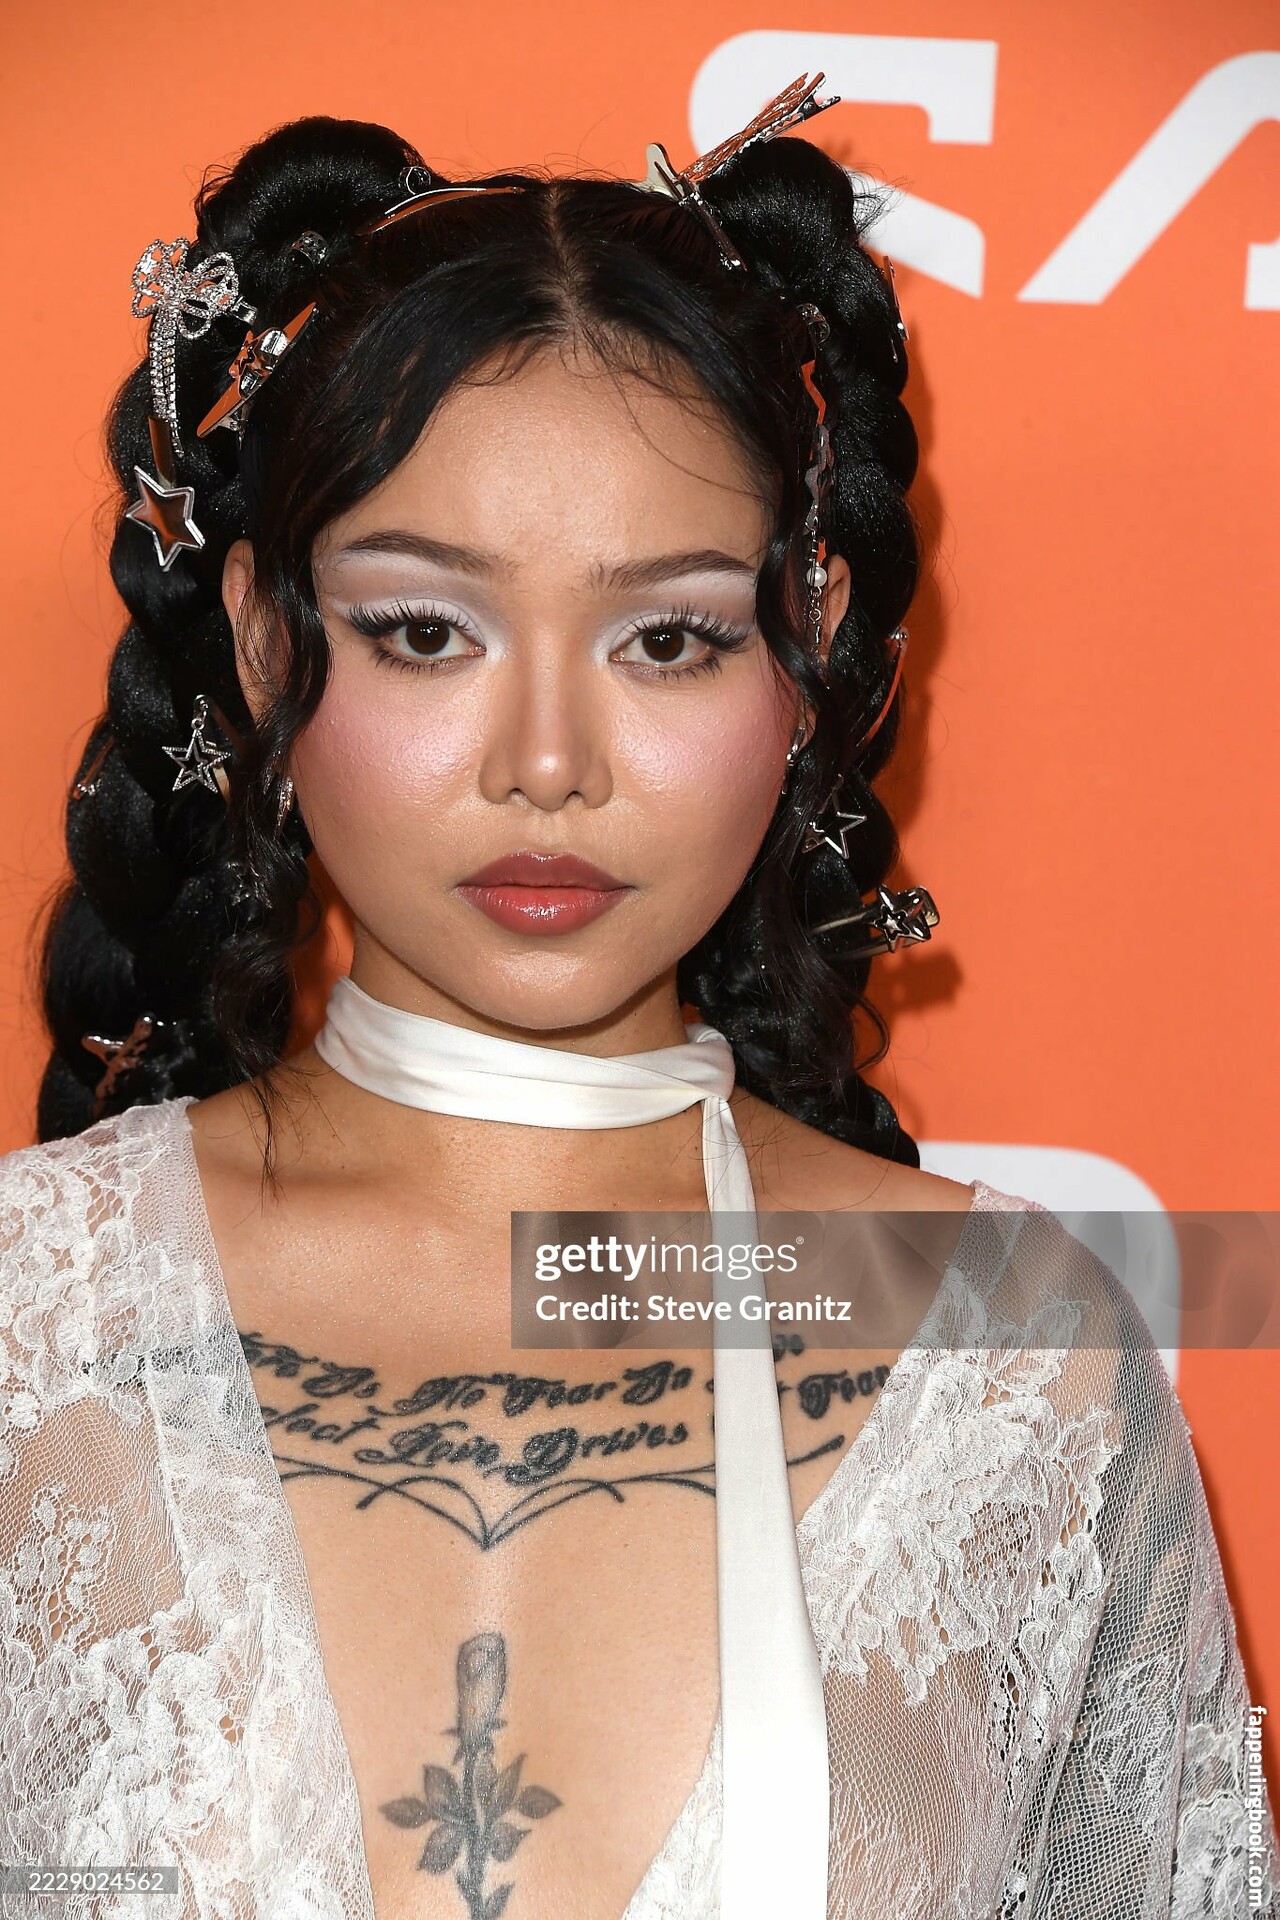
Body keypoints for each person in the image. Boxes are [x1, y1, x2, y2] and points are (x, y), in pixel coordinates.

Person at [1, 75, 1274, 1920]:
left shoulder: (1017, 1359)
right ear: (269, 643)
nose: (548, 763)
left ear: (806, 647)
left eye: (668, 637)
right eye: (425, 631)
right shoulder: (25, 1315)